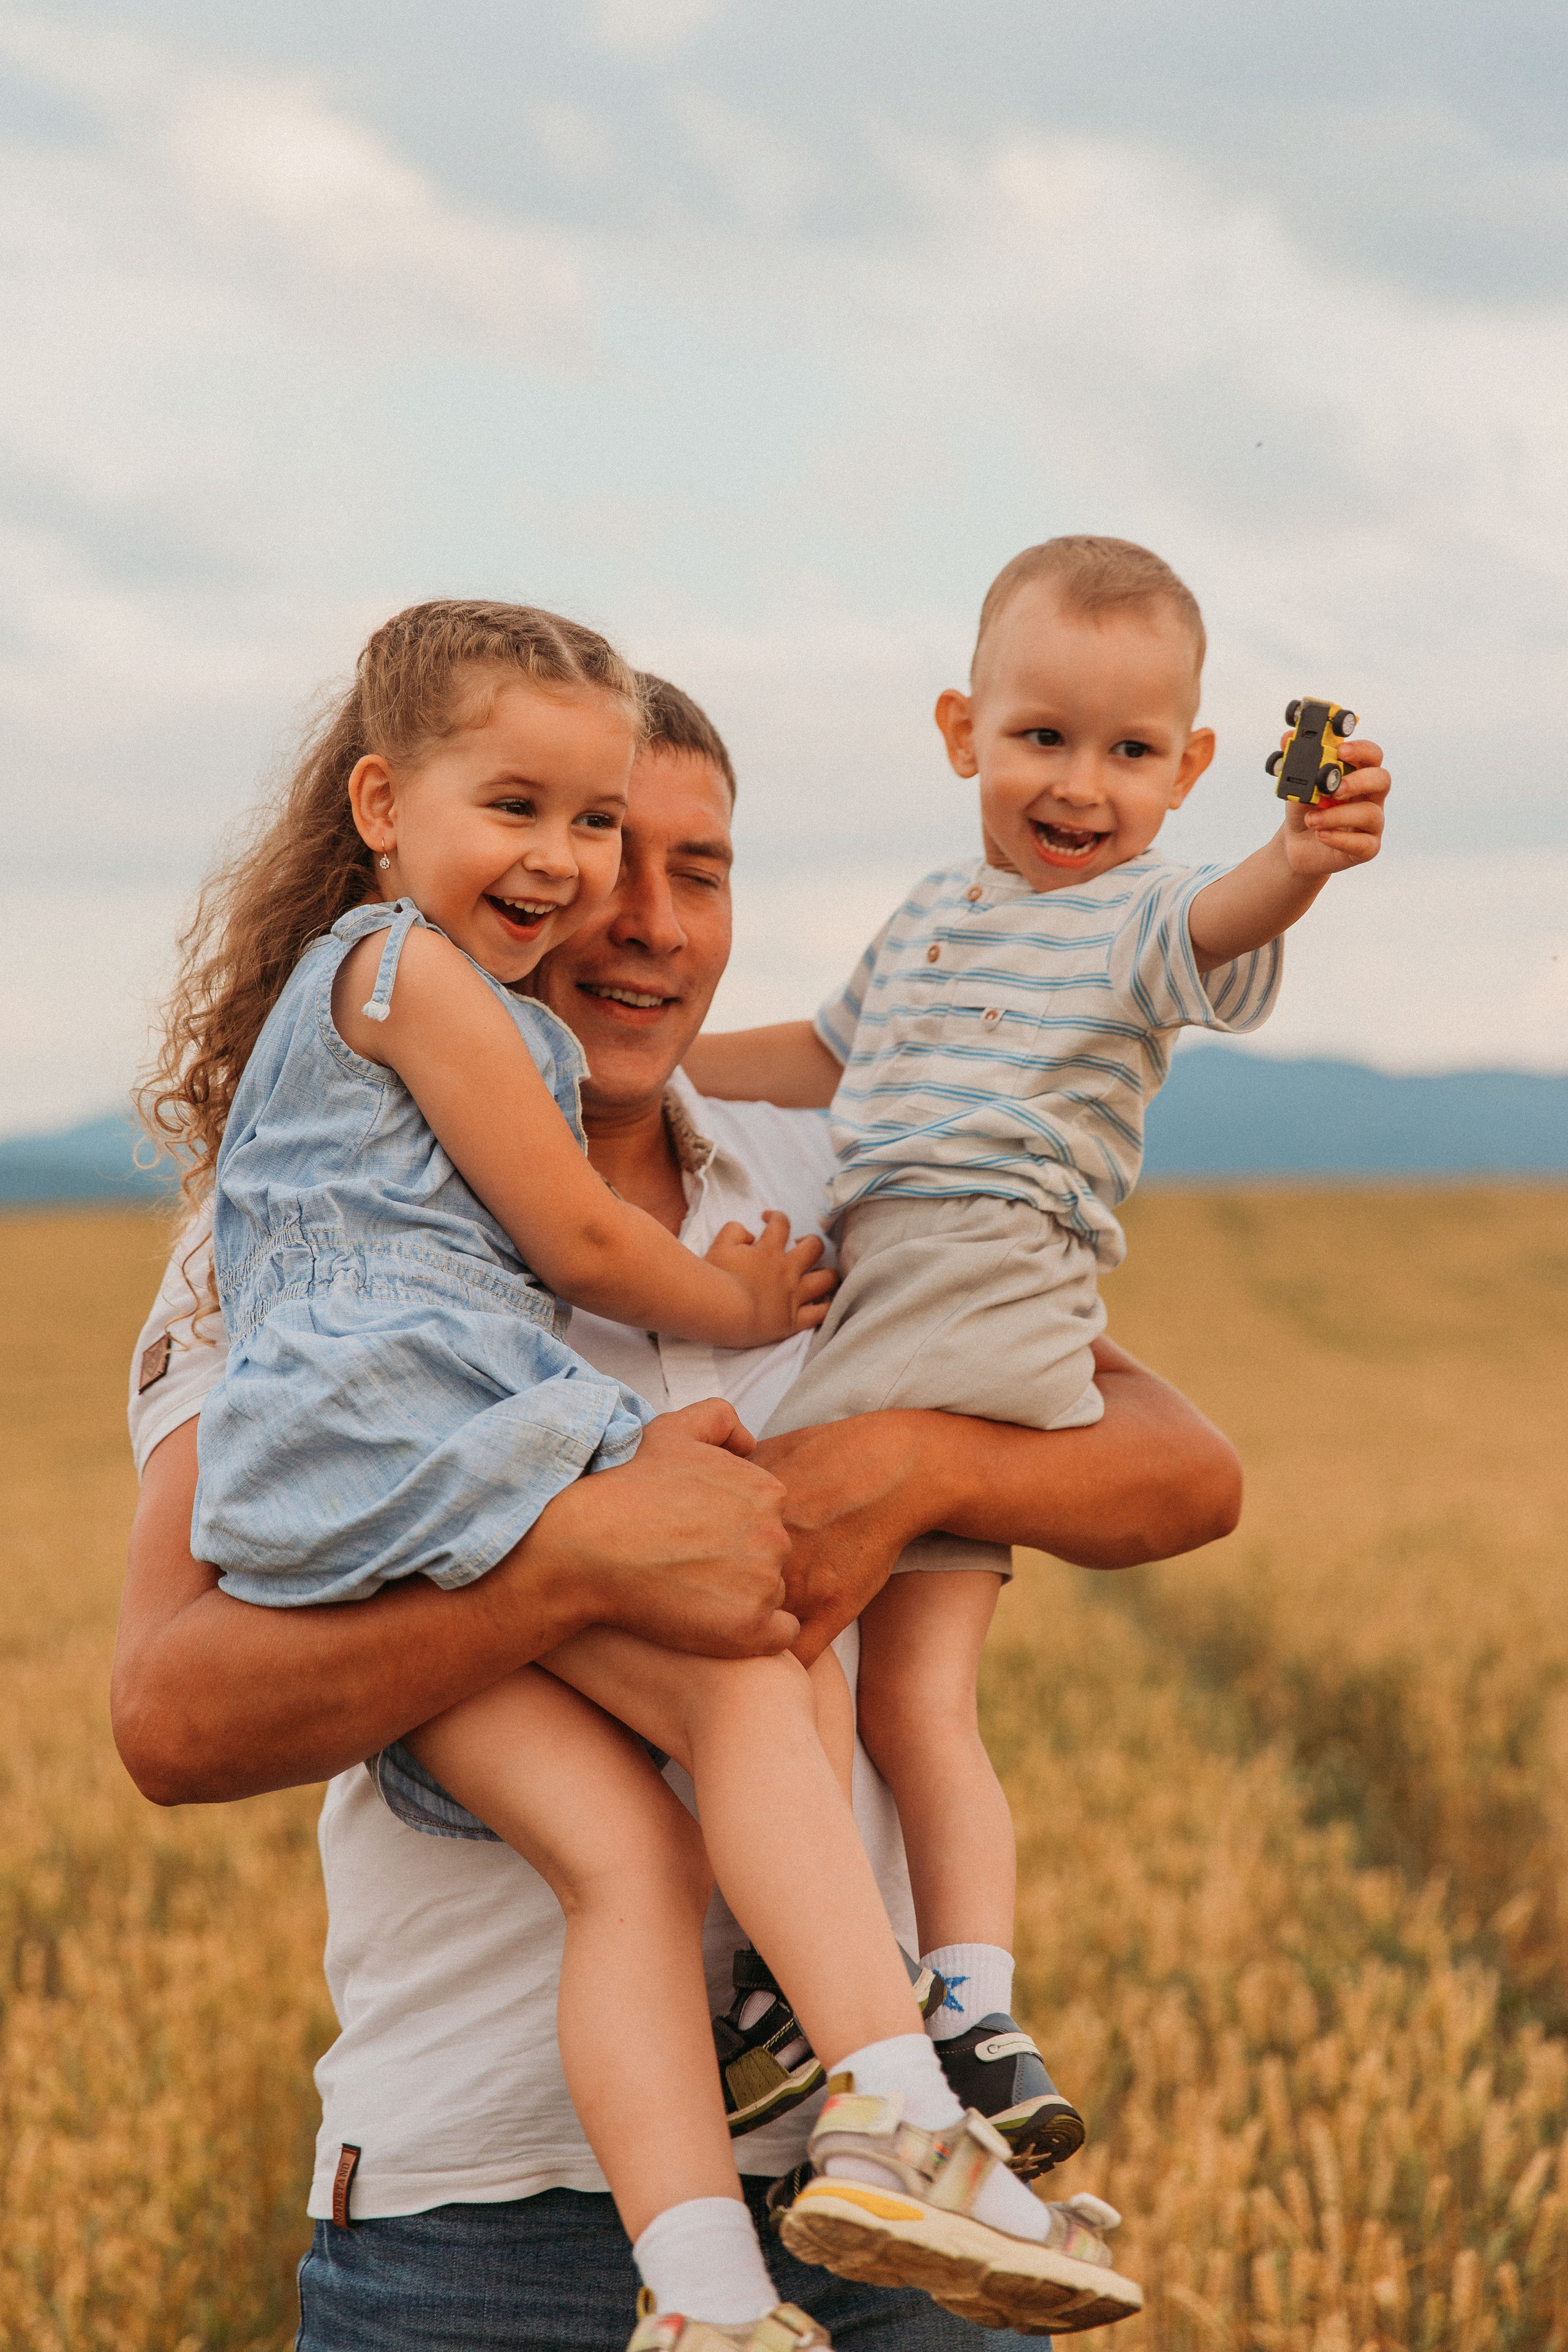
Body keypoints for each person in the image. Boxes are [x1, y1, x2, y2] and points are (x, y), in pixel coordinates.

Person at [117, 661, 1245, 2351]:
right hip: (474, 2237)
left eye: (696, 869)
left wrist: (910, 1466)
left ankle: (892, 2113)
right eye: (595, 854)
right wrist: (569, 1567)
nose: (644, 917)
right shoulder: (291, 1243)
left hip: (890, 2252)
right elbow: (171, 1717)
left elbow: (1177, 1466)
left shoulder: (821, 1186)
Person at [684, 535, 1393, 2214]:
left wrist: (1302, 855)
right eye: (1044, 739)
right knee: (916, 1695)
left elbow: (1234, 914)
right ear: (962, 731)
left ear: (1191, 772)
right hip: (944, 1290)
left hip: (975, 1266)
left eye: (1133, 753)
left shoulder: (1149, 915)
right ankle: (976, 2012)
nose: (1083, 785)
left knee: (778, 1607)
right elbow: (825, 1055)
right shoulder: (934, 913)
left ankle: (811, 1990)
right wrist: (616, 1071)